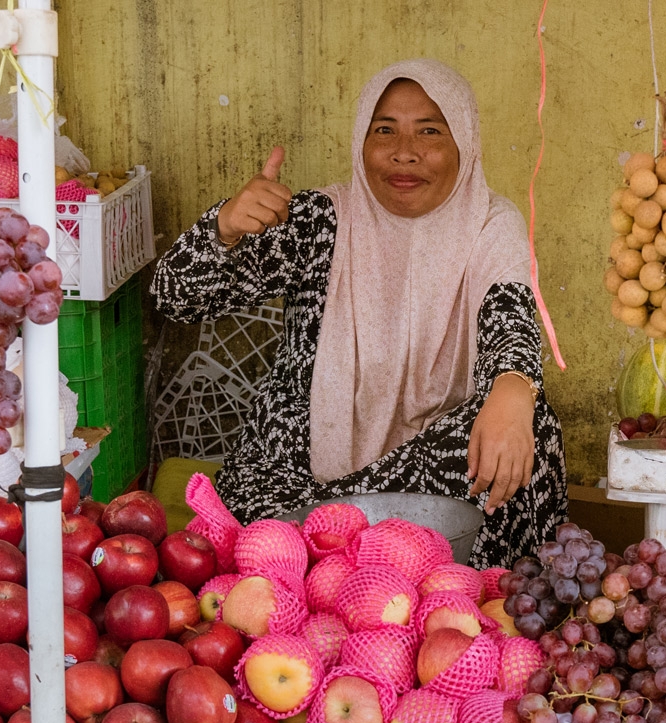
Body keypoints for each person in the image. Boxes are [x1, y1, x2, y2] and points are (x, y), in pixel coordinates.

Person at [153, 60, 566, 567]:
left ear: (466, 141)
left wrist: (513, 388)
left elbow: (510, 317)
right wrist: (225, 230)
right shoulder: (322, 220)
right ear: (361, 142)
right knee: (280, 528)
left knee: (532, 427)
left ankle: (490, 597)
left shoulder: (490, 223)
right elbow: (176, 297)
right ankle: (350, 550)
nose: (404, 153)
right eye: (384, 130)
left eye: (430, 131)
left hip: (424, 475)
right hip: (298, 485)